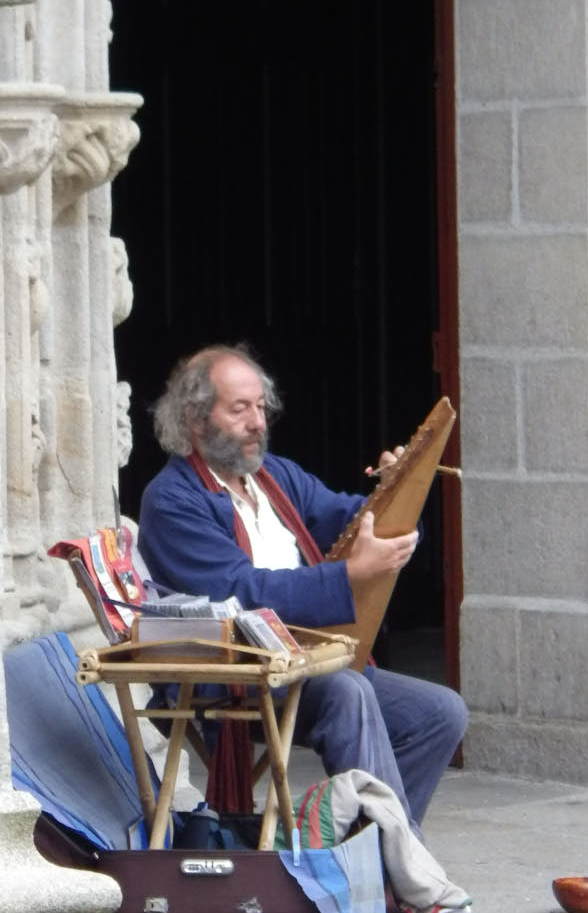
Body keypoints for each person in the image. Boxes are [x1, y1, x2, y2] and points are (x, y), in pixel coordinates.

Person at [137, 344, 469, 839]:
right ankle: (399, 860)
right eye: (239, 409)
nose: (257, 422)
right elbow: (240, 592)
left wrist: (404, 488)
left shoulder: (277, 477)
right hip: (236, 673)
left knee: (440, 713)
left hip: (306, 663)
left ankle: (371, 849)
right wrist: (349, 576)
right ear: (196, 420)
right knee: (347, 690)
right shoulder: (171, 499)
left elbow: (362, 521)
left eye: (260, 406)